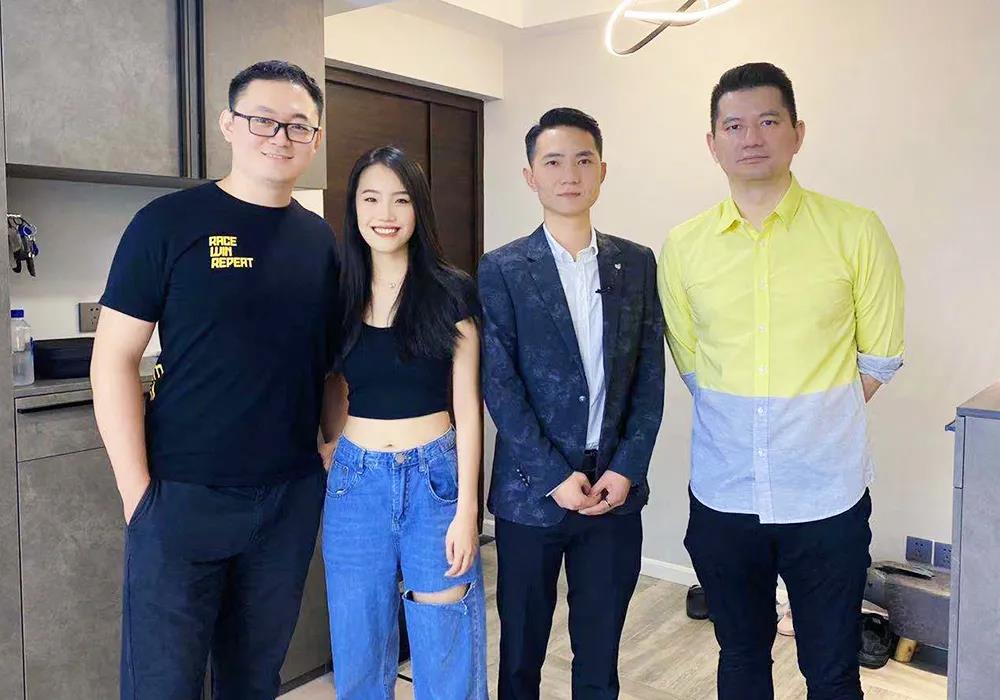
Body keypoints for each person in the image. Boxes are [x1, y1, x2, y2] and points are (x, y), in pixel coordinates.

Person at [92, 60, 338, 699]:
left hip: (287, 500)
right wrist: (137, 496)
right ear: (229, 124)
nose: (280, 136)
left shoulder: (321, 242)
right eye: (263, 120)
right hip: (181, 495)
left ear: (314, 139)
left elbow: (331, 363)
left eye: (298, 125)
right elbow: (114, 358)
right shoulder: (167, 223)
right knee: (163, 684)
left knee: (253, 680)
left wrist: (333, 445)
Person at [658, 62, 904, 699]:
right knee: (741, 656)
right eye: (733, 126)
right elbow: (692, 362)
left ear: (798, 133)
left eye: (768, 121)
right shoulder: (683, 246)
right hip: (725, 493)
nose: (751, 138)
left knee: (831, 668)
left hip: (825, 494)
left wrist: (812, 421)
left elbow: (879, 358)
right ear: (712, 143)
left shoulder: (855, 230)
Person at [479, 107, 665, 699]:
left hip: (613, 492)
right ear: (530, 176)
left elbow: (649, 380)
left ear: (602, 171)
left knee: (600, 654)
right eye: (553, 161)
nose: (569, 174)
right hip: (531, 493)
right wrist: (553, 476)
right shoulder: (503, 268)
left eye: (583, 160)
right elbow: (499, 384)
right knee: (520, 653)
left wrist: (626, 469)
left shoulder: (636, 263)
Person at [320, 145, 487, 699]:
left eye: (400, 199)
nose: (385, 213)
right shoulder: (337, 292)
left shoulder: (451, 290)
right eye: (371, 199)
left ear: (419, 209)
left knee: (445, 640)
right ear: (354, 208)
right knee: (359, 645)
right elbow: (331, 380)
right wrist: (331, 441)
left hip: (435, 482)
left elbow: (468, 407)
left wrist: (467, 511)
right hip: (355, 485)